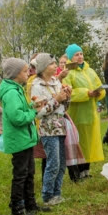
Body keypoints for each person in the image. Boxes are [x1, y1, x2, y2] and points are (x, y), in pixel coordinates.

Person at [0, 57, 49, 215]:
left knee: (29, 172)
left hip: (25, 139)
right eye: (25, 71)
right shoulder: (12, 92)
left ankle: (30, 204)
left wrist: (33, 105)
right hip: (18, 139)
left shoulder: (16, 88)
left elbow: (21, 109)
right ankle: (17, 209)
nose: (28, 73)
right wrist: (34, 113)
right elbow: (17, 117)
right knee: (20, 174)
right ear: (15, 74)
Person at [30, 53, 71, 206]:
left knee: (61, 163)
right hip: (48, 129)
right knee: (53, 163)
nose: (56, 67)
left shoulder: (56, 82)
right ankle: (47, 196)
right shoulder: (36, 86)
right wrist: (56, 100)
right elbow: (39, 113)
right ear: (43, 68)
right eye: (52, 64)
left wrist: (67, 98)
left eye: (55, 63)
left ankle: (57, 193)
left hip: (60, 126)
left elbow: (63, 108)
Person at [62, 44, 105, 178]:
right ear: (70, 57)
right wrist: (86, 93)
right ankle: (78, 172)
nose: (80, 57)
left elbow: (99, 85)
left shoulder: (90, 70)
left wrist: (99, 93)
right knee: (78, 144)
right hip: (78, 114)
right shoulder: (68, 73)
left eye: (81, 54)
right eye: (76, 54)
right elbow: (68, 92)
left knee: (90, 143)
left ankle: (87, 170)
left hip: (91, 113)